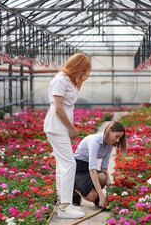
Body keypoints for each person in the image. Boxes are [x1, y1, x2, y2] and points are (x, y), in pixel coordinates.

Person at [44, 53, 91, 219]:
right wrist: (71, 129)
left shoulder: (67, 80)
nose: (83, 75)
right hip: (57, 127)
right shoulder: (60, 80)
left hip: (60, 127)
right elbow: (58, 108)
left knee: (62, 165)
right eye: (83, 70)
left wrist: (69, 128)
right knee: (70, 164)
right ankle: (65, 206)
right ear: (76, 66)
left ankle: (64, 203)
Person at [73, 121, 127, 208]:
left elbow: (104, 169)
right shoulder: (94, 141)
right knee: (93, 196)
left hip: (87, 168)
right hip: (77, 169)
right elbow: (93, 170)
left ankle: (96, 197)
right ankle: (73, 187)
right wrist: (101, 194)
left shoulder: (109, 145)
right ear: (109, 131)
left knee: (103, 176)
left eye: (119, 138)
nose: (117, 140)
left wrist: (111, 193)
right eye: (116, 137)